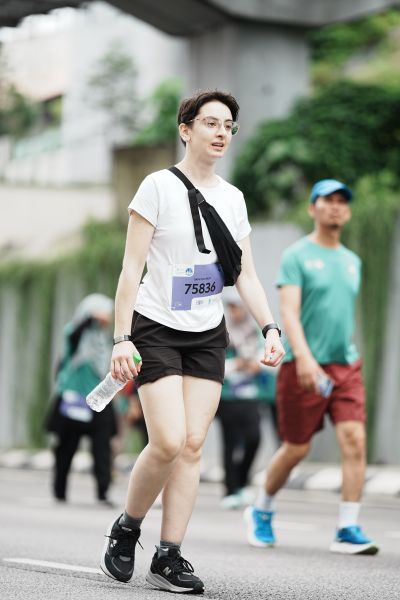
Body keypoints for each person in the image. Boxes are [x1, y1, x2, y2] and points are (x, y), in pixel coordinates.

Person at [99, 89, 285, 594]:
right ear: (186, 129)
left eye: (229, 126)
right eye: (211, 123)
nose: (221, 133)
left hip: (206, 333)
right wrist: (121, 337)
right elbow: (131, 269)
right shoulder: (157, 187)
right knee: (167, 439)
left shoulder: (233, 199)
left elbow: (245, 275)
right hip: (155, 326)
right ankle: (127, 528)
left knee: (194, 444)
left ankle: (168, 555)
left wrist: (270, 328)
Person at [244, 179, 379, 555]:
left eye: (341, 201)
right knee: (296, 448)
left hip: (345, 366)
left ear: (347, 211)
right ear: (312, 208)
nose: (335, 206)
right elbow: (289, 312)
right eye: (327, 200)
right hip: (303, 366)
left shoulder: (352, 261)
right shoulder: (297, 256)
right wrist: (303, 358)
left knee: (355, 440)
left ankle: (348, 527)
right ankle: (261, 509)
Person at [46, 293, 117, 505]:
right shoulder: (73, 332)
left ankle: (103, 492)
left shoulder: (105, 339)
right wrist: (90, 317)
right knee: (66, 448)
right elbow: (75, 336)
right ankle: (59, 491)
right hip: (73, 399)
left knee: (102, 448)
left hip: (98, 399)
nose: (106, 318)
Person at [217, 290, 276, 510]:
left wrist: (255, 365)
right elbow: (215, 364)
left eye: (238, 307)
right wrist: (237, 365)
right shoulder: (222, 333)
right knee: (230, 443)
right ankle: (230, 489)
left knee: (254, 438)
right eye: (231, 307)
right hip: (228, 395)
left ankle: (242, 481)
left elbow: (268, 358)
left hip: (250, 395)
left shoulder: (255, 332)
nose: (235, 311)